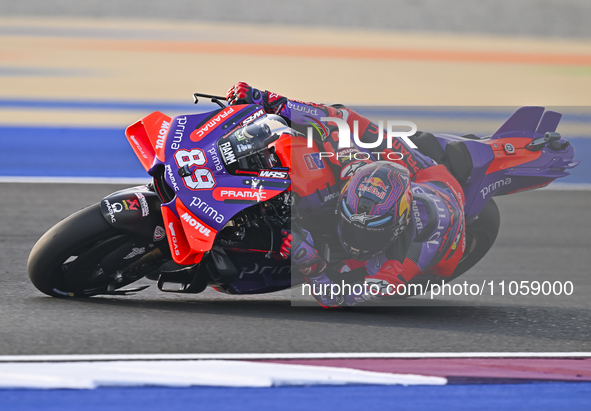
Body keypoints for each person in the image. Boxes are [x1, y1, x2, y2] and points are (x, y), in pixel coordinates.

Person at [226, 82, 466, 307]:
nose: (354, 240)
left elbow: (338, 301)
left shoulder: (401, 264)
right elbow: (332, 118)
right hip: (402, 174)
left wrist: (312, 267)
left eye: (368, 234)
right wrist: (265, 99)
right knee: (344, 116)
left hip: (435, 180)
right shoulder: (351, 166)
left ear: (397, 227)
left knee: (443, 267)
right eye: (350, 224)